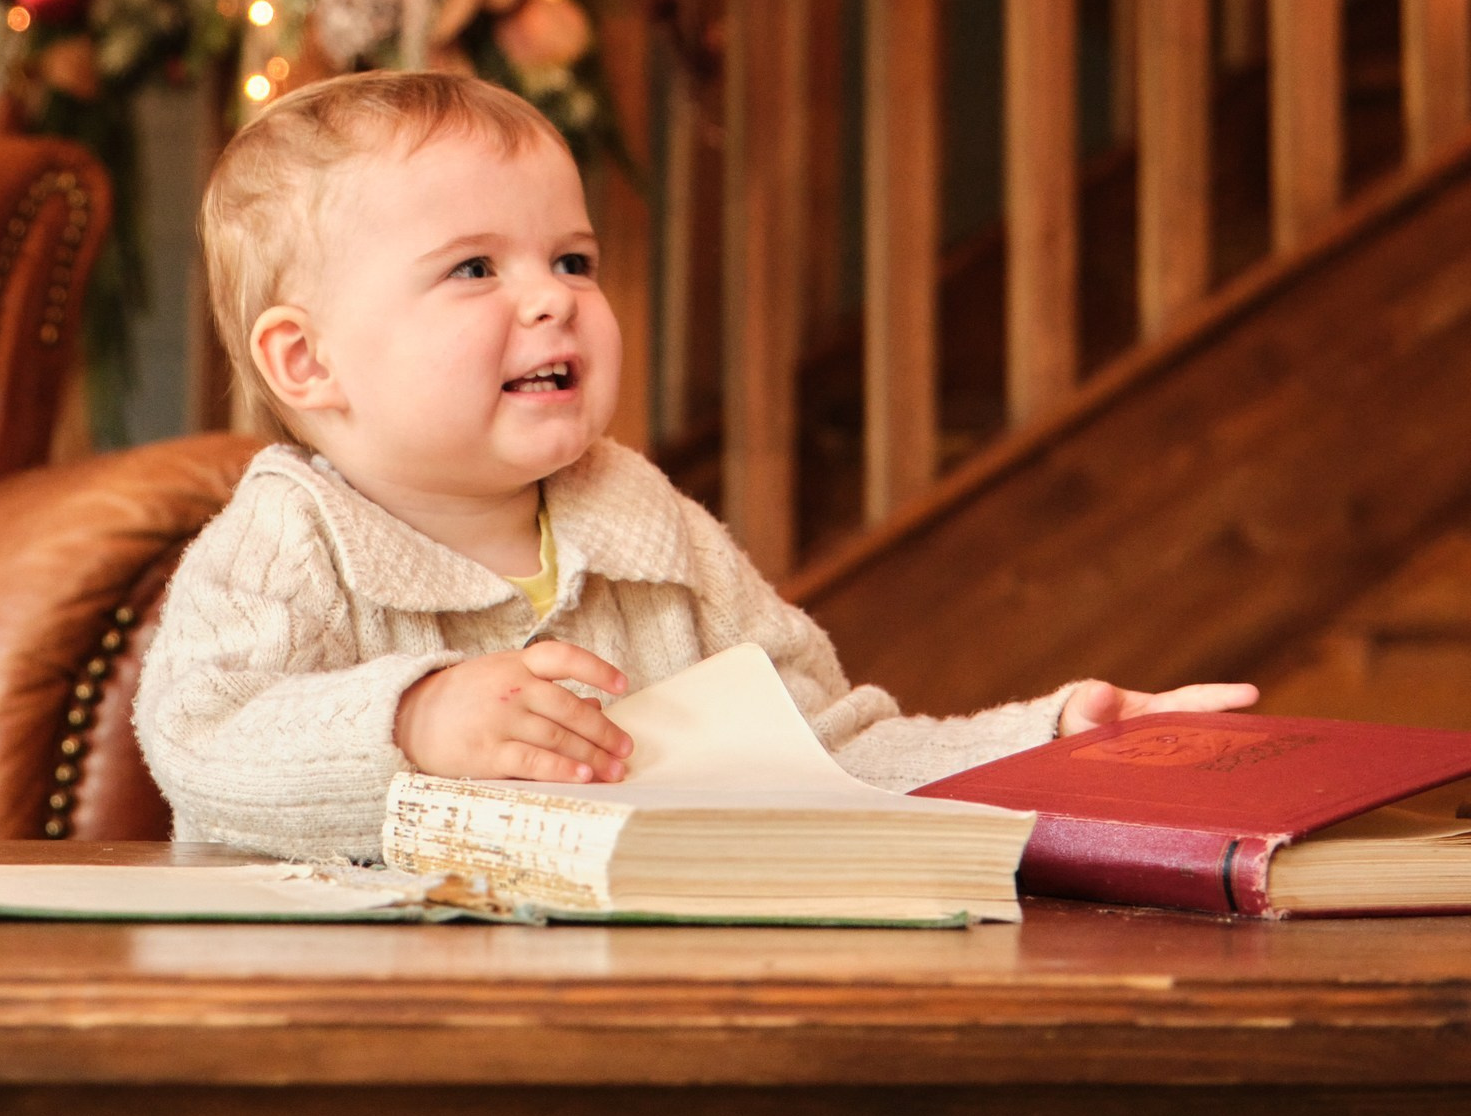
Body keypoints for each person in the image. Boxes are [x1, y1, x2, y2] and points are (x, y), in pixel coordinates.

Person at [133, 71, 1256, 863]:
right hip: (333, 1015)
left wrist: (1048, 744)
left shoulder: (646, 524)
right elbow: (200, 743)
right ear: (307, 359)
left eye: (573, 257)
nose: (551, 296)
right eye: (473, 267)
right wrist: (412, 722)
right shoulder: (291, 538)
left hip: (635, 1002)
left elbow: (830, 751)